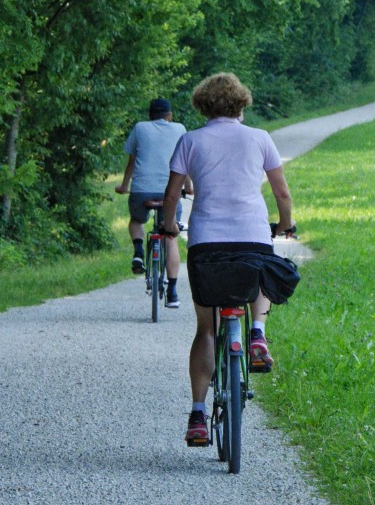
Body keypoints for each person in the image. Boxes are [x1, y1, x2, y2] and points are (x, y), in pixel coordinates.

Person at [161, 73, 294, 443]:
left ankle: (199, 414)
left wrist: (170, 225)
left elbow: (172, 196)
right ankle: (257, 334)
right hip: (251, 234)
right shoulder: (260, 138)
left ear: (202, 105)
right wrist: (285, 223)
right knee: (262, 271)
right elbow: (282, 193)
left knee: (206, 329)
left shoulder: (190, 140)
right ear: (242, 103)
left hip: (207, 243)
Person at [115, 98, 187, 308]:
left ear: (150, 115)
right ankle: (173, 293)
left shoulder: (140, 128)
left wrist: (124, 185)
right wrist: (189, 187)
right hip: (170, 191)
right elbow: (184, 163)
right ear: (169, 115)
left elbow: (132, 160)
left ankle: (138, 253)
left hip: (141, 190)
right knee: (170, 235)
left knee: (136, 220)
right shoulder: (180, 128)